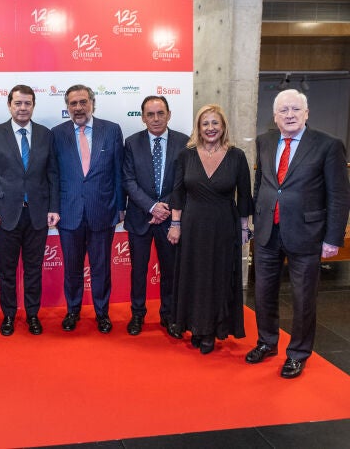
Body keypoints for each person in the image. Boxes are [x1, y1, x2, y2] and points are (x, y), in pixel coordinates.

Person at [246, 89, 350, 378]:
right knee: (263, 293)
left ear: (306, 113)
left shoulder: (328, 146)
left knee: (304, 298)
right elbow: (263, 184)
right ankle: (267, 342)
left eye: (295, 109)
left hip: (308, 234)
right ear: (275, 116)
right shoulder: (264, 141)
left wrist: (332, 238)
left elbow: (339, 196)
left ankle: (298, 353)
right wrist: (257, 216)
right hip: (268, 232)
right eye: (283, 111)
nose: (289, 115)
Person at [167, 104, 253, 355]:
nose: (210, 128)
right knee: (193, 276)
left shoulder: (236, 156)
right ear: (198, 127)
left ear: (223, 126)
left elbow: (245, 195)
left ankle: (212, 330)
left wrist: (245, 228)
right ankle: (194, 325)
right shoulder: (186, 155)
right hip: (192, 226)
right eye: (205, 123)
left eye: (215, 123)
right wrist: (175, 224)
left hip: (223, 226)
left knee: (219, 277)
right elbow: (178, 192)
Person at [0, 84, 60, 336]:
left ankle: (33, 315)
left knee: (34, 269)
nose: (23, 108)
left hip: (37, 214)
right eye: (18, 103)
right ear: (9, 105)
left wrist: (53, 207)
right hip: (5, 215)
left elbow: (53, 174)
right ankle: (8, 316)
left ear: (33, 106)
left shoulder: (45, 134)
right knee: (6, 270)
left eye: (27, 103)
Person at [51, 84, 124, 333]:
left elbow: (118, 173)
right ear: (67, 107)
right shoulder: (57, 133)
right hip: (69, 213)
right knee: (72, 268)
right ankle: (73, 311)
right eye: (73, 103)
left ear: (92, 103)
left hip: (102, 211)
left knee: (101, 267)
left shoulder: (111, 130)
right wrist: (54, 208)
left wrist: (120, 208)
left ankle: (102, 313)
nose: (79, 108)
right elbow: (53, 175)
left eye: (83, 102)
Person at [123, 96, 189, 338]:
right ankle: (137, 314)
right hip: (140, 217)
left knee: (170, 270)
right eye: (150, 114)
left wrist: (165, 207)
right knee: (138, 270)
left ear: (169, 114)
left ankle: (169, 316)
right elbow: (128, 180)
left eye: (160, 113)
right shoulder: (131, 143)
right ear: (142, 117)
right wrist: (152, 207)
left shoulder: (184, 142)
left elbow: (185, 181)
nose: (156, 118)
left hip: (172, 220)